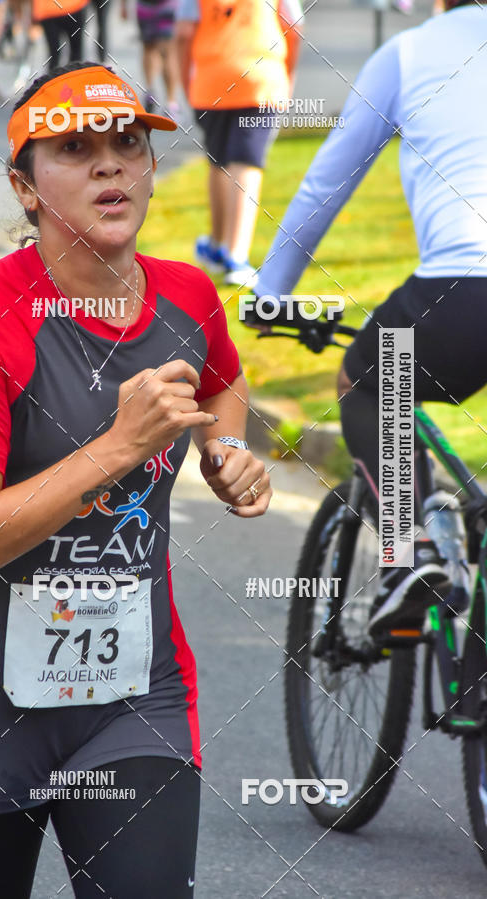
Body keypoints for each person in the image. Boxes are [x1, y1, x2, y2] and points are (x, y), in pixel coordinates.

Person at [0, 60, 272, 898]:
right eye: (75, 147)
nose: (110, 164)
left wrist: (228, 457)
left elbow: (222, 382)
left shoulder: (188, 299)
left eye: (128, 144)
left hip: (134, 700)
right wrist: (119, 444)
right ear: (24, 188)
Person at [255, 0, 487, 638]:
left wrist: (271, 291)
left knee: (370, 380)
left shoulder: (410, 53)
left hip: (465, 290)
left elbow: (328, 183)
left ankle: (411, 550)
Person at [176, 0, 303, 286]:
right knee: (245, 162)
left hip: (211, 82)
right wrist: (288, 74)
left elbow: (184, 33)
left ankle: (218, 245)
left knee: (219, 160)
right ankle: (236, 255)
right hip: (260, 79)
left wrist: (187, 84)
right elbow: (293, 26)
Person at [120, 0, 181, 120]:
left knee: (149, 48)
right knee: (167, 53)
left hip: (147, 6)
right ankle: (170, 103)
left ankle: (150, 91)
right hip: (167, 6)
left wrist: (123, 6)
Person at [32, 0, 89, 70]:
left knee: (55, 54)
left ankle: (54, 78)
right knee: (74, 55)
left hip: (51, 10)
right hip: (63, 9)